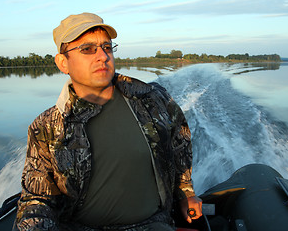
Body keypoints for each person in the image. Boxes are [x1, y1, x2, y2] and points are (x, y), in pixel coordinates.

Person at [14, 12, 202, 231]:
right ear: (63, 63)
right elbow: (37, 200)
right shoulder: (46, 127)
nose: (102, 56)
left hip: (152, 224)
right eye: (87, 49)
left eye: (107, 47)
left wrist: (186, 193)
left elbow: (180, 141)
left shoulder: (151, 99)